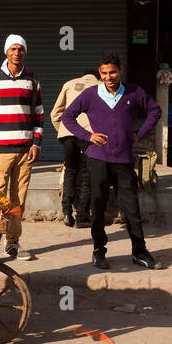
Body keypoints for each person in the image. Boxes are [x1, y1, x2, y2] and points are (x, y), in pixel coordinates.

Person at [61, 54, 163, 271]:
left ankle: (140, 251)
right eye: (104, 73)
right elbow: (67, 117)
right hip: (98, 158)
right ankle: (99, 250)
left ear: (120, 70)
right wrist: (88, 136)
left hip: (124, 159)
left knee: (131, 207)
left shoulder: (134, 93)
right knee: (97, 207)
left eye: (112, 72)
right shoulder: (90, 95)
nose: (109, 77)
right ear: (100, 73)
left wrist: (139, 133)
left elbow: (155, 111)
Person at [0, 34, 44, 260]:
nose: (17, 53)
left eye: (21, 49)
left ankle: (13, 242)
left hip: (25, 151)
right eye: (13, 49)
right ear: (6, 51)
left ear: (25, 52)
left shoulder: (32, 80)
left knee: (18, 199)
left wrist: (36, 143)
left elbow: (39, 116)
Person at [51, 67, 99, 227]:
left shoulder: (69, 84)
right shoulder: (101, 85)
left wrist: (64, 131)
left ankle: (66, 213)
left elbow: (55, 114)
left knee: (70, 171)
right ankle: (82, 216)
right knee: (87, 174)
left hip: (68, 133)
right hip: (89, 135)